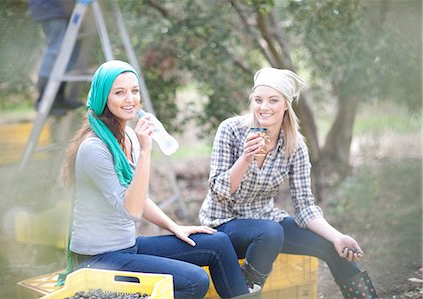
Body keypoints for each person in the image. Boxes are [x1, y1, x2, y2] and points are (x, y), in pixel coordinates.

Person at [60, 60, 255, 298]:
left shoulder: (128, 135)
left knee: (218, 243)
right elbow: (131, 210)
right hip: (99, 260)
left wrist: (174, 227)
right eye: (119, 92)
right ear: (103, 98)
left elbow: (140, 198)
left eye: (134, 90)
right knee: (195, 281)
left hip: (126, 247)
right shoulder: (94, 147)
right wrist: (145, 152)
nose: (130, 99)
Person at [199, 67, 379, 298]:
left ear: (286, 104)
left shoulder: (294, 145)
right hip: (224, 226)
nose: (264, 107)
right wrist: (245, 158)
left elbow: (305, 207)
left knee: (332, 247)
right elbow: (218, 192)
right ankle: (245, 292)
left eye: (273, 100)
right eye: (258, 100)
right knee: (271, 232)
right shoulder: (231, 131)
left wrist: (336, 236)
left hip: (266, 223)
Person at [29, 0, 83, 116]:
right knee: (56, 49)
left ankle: (58, 97)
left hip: (62, 7)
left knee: (71, 50)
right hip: (50, 7)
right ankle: (43, 99)